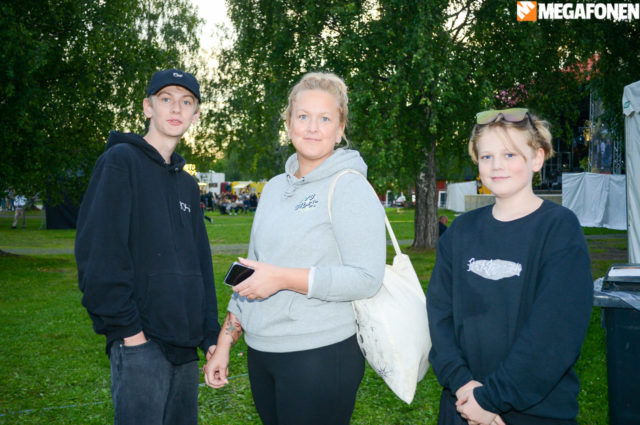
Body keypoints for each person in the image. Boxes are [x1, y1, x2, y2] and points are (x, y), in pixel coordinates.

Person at [204, 72, 386, 425]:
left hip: (319, 354)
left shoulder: (349, 186)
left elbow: (366, 278)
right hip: (262, 352)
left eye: (325, 118)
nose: (313, 127)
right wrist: (224, 344)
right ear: (288, 124)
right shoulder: (273, 188)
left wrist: (283, 278)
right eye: (303, 116)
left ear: (340, 129)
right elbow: (250, 271)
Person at [427, 108, 592, 425]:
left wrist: (491, 400)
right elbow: (439, 317)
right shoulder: (460, 232)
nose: (497, 165)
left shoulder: (559, 229)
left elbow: (554, 333)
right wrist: (463, 385)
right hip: (461, 405)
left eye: (509, 154)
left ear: (537, 159)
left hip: (534, 411)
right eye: (486, 156)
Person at [75, 68, 220, 425]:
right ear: (147, 107)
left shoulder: (188, 186)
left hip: (185, 349)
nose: (176, 108)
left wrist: (209, 336)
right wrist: (130, 333)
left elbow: (201, 265)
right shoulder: (120, 162)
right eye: (166, 98)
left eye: (186, 101)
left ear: (196, 114)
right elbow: (99, 254)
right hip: (141, 344)